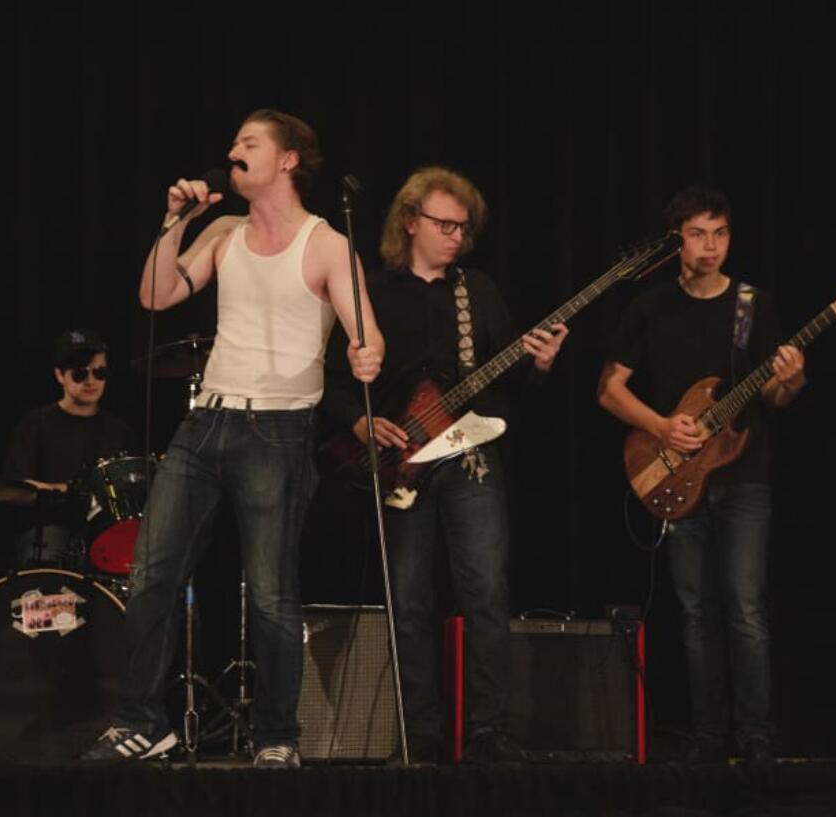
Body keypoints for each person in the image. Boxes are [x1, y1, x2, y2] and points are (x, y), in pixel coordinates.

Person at [82, 109, 383, 767]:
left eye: (249, 142)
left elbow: (369, 335)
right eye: (234, 142)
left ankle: (277, 736)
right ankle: (143, 721)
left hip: (278, 430)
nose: (233, 151)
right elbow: (157, 295)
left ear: (288, 160)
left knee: (271, 593)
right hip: (205, 424)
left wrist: (367, 355)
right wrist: (175, 220)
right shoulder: (223, 231)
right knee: (152, 571)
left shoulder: (326, 243)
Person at [321, 166, 567, 764]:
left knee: (485, 592)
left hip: (471, 460)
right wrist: (357, 420)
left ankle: (489, 729)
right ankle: (419, 731)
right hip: (398, 463)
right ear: (410, 222)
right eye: (444, 224)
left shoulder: (477, 292)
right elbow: (326, 378)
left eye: (464, 227)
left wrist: (539, 366)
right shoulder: (369, 292)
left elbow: (508, 396)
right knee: (408, 599)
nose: (456, 235)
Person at [597, 186, 804, 765]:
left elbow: (774, 395)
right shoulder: (649, 306)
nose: (709, 246)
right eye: (697, 234)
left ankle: (756, 735)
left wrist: (790, 379)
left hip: (745, 475)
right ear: (677, 239)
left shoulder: (752, 305)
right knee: (694, 610)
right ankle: (708, 736)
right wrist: (662, 427)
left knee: (745, 605)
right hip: (677, 472)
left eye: (719, 234)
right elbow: (609, 389)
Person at [3, 328, 135, 568]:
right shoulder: (35, 423)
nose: (91, 381)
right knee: (50, 548)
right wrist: (63, 491)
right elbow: (16, 489)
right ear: (59, 375)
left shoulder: (119, 430)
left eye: (100, 372)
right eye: (80, 374)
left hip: (104, 532)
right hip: (50, 528)